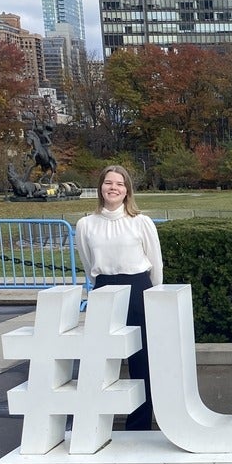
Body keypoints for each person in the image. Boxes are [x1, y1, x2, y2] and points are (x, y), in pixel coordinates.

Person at [75, 164, 163, 431]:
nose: (113, 188)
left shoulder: (141, 222)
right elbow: (88, 262)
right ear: (101, 187)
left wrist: (153, 295)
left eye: (119, 184)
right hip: (104, 289)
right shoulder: (86, 225)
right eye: (108, 183)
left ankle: (139, 426)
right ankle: (99, 425)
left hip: (138, 289)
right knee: (102, 360)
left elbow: (155, 263)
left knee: (141, 360)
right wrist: (101, 286)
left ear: (127, 191)